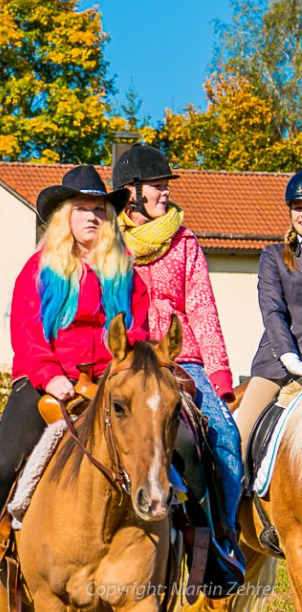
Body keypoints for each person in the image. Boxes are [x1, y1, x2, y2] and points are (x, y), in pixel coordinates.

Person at [0, 165, 149, 612]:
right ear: (64, 215)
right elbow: (27, 333)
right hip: (46, 382)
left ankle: (199, 548)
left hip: (111, 383)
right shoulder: (38, 269)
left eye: (100, 209)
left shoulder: (126, 271)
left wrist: (118, 369)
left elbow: (138, 329)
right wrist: (52, 376)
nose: (93, 217)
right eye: (84, 209)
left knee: (169, 451)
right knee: (0, 468)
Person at [113, 145, 243, 552]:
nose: (165, 193)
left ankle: (224, 544)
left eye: (166, 186)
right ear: (131, 192)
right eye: (157, 186)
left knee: (226, 436)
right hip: (128, 358)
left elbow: (202, 308)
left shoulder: (185, 241)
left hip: (181, 360)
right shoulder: (109, 240)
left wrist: (219, 376)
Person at [235, 172, 302, 471]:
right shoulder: (274, 256)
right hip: (279, 366)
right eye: (298, 206)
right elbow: (273, 311)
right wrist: (291, 358)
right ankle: (229, 515)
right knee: (239, 438)